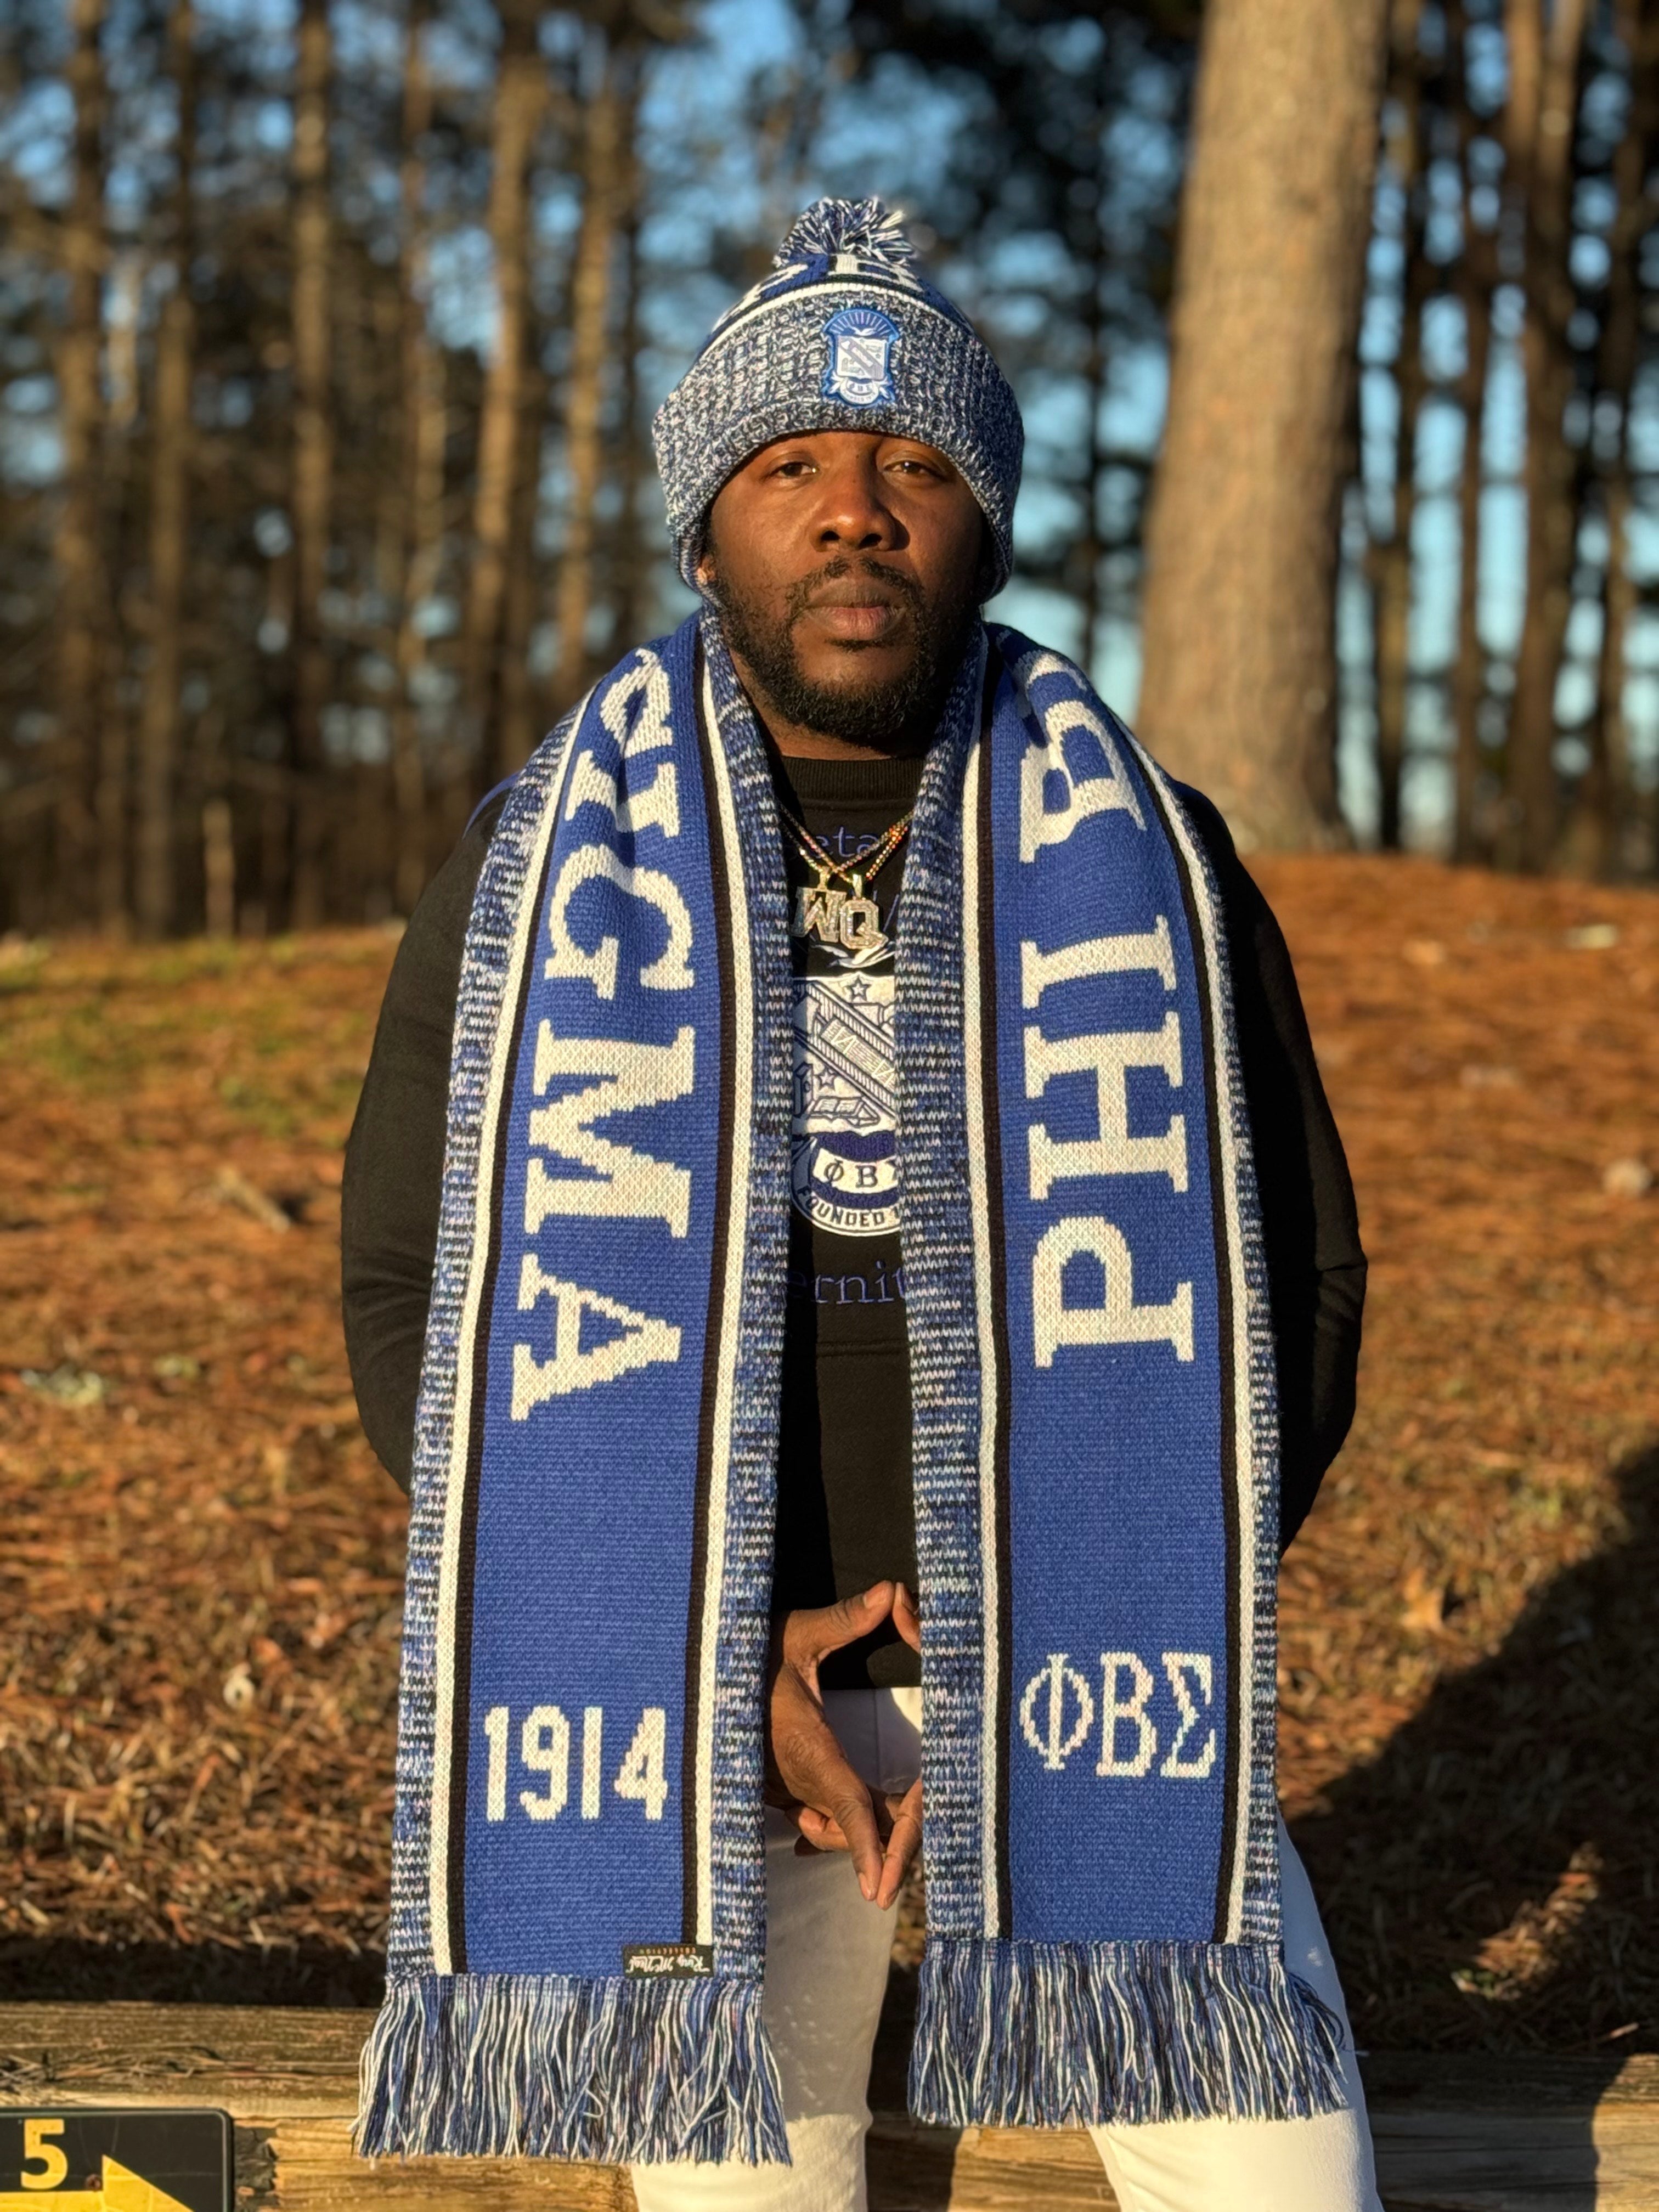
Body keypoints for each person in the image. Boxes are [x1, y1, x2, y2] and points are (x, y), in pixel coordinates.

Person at [344, 198, 1379, 2212]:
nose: (854, 510)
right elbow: (412, 1293)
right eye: (790, 466)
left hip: (1084, 1688)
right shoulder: (541, 867)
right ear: (704, 533)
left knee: (1286, 2188)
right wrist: (713, 1665)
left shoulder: (1153, 853)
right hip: (703, 1703)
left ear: (984, 531)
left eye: (917, 465)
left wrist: (1094, 1612)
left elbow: (1305, 1272)